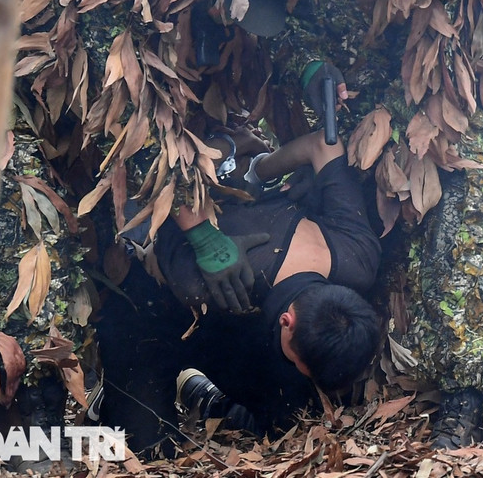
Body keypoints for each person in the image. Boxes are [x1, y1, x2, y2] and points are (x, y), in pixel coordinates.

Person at [96, 83, 382, 455]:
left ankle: (205, 395)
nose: (300, 369)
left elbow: (322, 144)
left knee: (291, 418)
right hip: (161, 309)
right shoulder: (205, 283)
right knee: (148, 447)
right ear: (287, 321)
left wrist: (262, 172)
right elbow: (159, 215)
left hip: (236, 322)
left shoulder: (358, 257)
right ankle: (123, 392)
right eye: (301, 362)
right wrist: (203, 234)